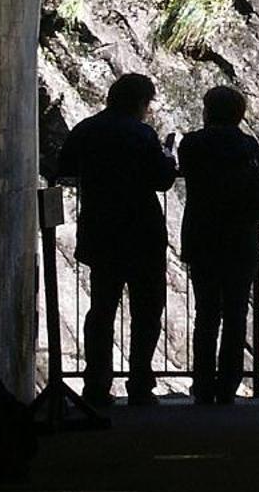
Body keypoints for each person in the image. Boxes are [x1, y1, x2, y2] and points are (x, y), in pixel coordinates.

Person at [54, 72, 176, 407]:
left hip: (101, 228)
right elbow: (162, 180)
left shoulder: (87, 129)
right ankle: (139, 382)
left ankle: (96, 384)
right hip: (142, 231)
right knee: (146, 309)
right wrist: (168, 157)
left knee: (102, 309)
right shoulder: (142, 134)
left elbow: (64, 167)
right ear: (140, 103)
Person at [179, 86, 259, 404]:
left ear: (207, 109)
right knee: (237, 312)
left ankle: (202, 384)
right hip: (242, 238)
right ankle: (228, 384)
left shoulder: (192, 145)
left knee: (206, 313)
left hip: (203, 236)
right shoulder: (250, 147)